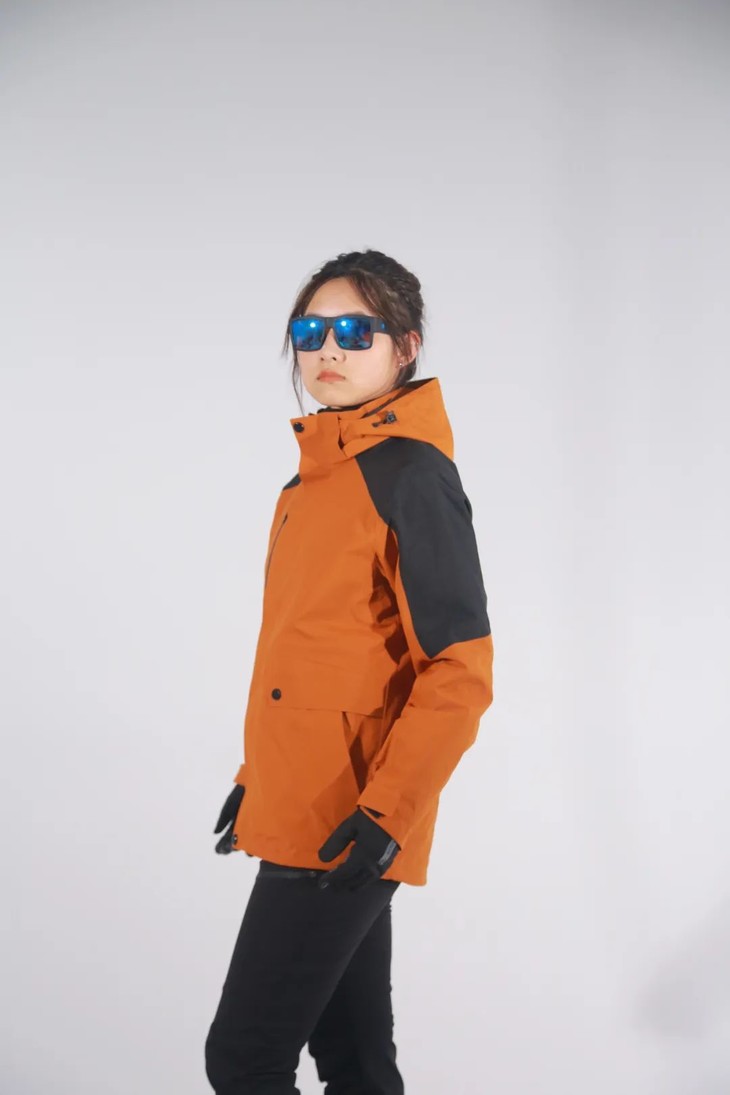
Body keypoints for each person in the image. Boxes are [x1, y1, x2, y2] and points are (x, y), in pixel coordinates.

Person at [205, 249, 494, 1094]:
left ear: (405, 346)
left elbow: (460, 668)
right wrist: (256, 778)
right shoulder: (310, 481)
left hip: (350, 817)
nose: (327, 348)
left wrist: (386, 814)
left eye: (354, 330)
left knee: (244, 1059)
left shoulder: (412, 474)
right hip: (302, 800)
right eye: (310, 330)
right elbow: (314, 656)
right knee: (357, 1060)